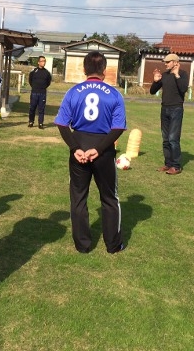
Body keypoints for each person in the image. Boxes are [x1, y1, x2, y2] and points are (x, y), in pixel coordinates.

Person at [54, 51, 127, 254]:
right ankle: (113, 245)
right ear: (104, 70)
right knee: (110, 198)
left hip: (79, 144)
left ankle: (82, 246)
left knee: (78, 197)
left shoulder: (73, 92)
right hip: (103, 148)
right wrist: (100, 148)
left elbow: (61, 123)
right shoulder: (114, 94)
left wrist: (75, 148)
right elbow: (118, 127)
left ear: (84, 69)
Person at [150, 53, 189, 175]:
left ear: (175, 62)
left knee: (173, 139)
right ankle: (168, 164)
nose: (165, 64)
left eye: (168, 62)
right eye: (165, 62)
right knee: (165, 139)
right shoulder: (165, 76)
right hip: (164, 109)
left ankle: (176, 166)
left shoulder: (182, 74)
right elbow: (152, 91)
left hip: (176, 109)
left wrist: (176, 75)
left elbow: (183, 89)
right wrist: (156, 81)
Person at [28, 56, 52, 129]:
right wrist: (35, 87)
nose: (43, 62)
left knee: (41, 109)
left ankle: (40, 123)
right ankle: (31, 121)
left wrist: (42, 87)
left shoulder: (47, 73)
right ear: (38, 62)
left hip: (42, 93)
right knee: (32, 108)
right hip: (34, 93)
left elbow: (48, 82)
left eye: (44, 61)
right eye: (42, 61)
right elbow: (30, 80)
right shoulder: (34, 71)